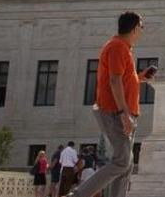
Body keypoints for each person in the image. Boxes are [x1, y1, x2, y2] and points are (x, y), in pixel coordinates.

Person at [65, 11, 155, 197]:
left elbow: (121, 80)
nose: (142, 31)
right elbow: (114, 80)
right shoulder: (117, 47)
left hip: (122, 112)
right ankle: (79, 195)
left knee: (126, 164)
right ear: (136, 27)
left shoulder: (123, 48)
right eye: (142, 27)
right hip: (115, 112)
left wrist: (139, 78)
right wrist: (124, 113)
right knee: (122, 162)